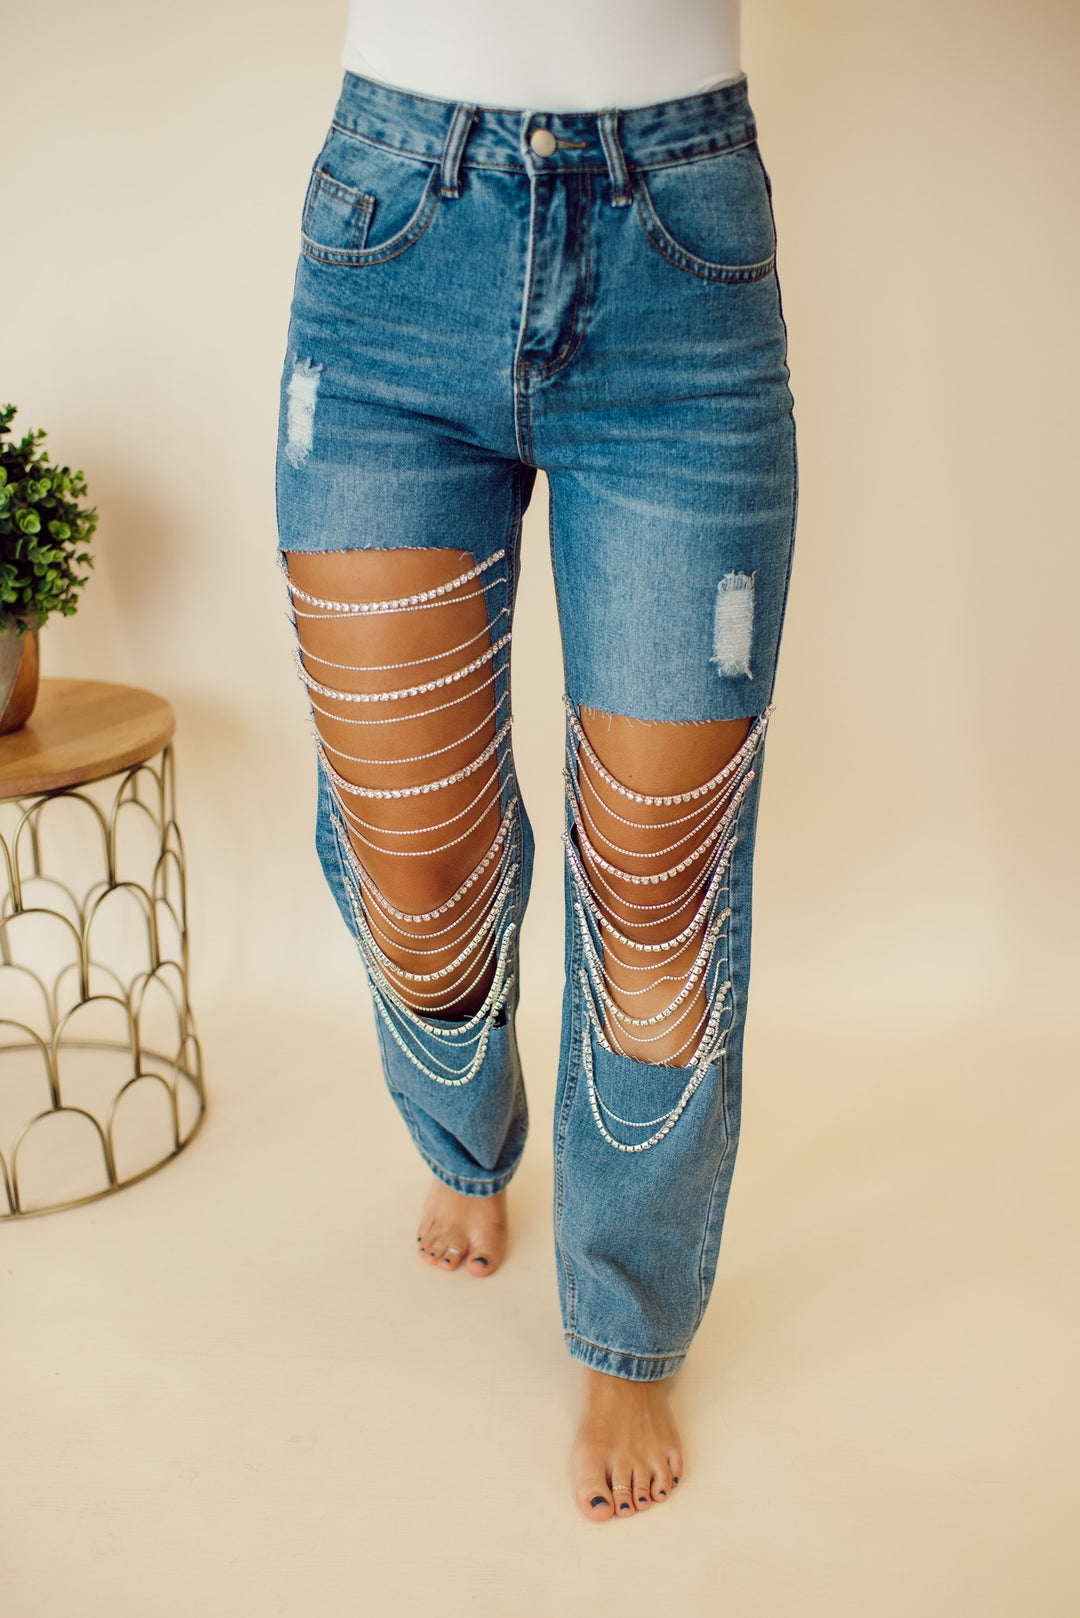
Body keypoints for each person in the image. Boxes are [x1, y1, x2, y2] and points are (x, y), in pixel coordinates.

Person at [275, 0, 796, 1523]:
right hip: (393, 238)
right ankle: (467, 1131)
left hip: (681, 253)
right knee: (415, 864)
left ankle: (626, 1318)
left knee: (657, 878)